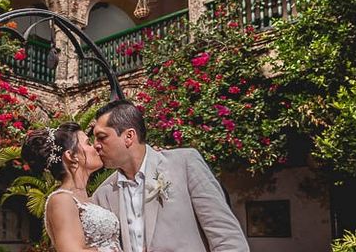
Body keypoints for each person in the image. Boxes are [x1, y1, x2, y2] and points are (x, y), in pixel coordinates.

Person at [92, 100, 250, 252]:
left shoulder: (184, 164)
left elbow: (226, 237)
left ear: (129, 136)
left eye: (102, 137)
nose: (96, 145)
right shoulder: (103, 194)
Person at [22, 122, 122, 252]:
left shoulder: (89, 198)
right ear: (71, 156)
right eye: (88, 143)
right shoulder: (61, 200)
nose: (96, 146)